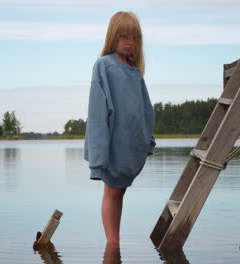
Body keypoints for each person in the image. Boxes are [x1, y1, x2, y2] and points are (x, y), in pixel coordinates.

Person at [83, 11, 156, 243]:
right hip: (112, 143)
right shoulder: (104, 66)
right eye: (124, 36)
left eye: (134, 38)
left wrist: (149, 140)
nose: (129, 42)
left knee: (120, 191)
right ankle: (112, 243)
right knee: (112, 191)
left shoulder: (135, 71)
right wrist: (97, 158)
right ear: (113, 37)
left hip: (131, 143)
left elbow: (145, 108)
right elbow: (97, 113)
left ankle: (114, 247)